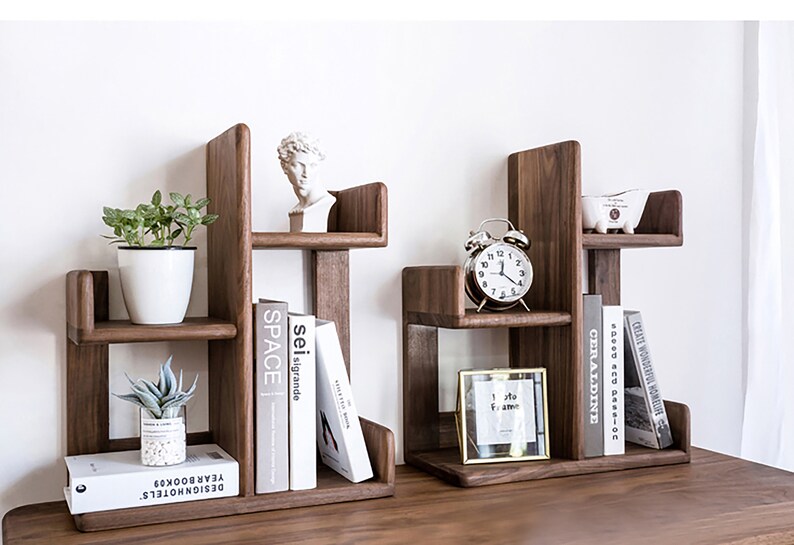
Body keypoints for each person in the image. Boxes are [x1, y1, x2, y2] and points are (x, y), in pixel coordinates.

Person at [277, 132, 336, 232]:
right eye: (298, 165)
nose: (306, 173)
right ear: (284, 166)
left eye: (312, 165)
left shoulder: (323, 203)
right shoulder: (298, 209)